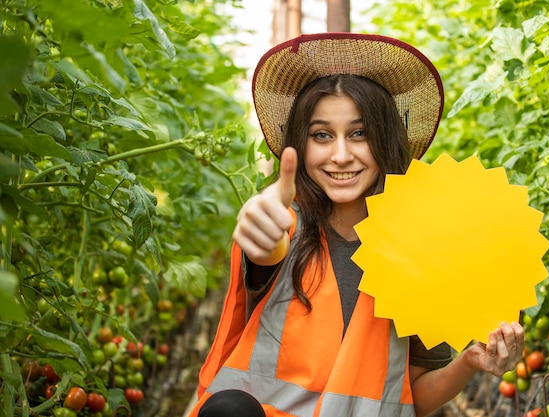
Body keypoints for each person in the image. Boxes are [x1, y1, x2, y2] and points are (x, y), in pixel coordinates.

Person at [188, 32, 525, 417]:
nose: (342, 155)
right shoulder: (286, 228)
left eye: (359, 133)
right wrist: (260, 224)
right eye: (322, 136)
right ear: (300, 143)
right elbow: (267, 247)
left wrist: (469, 363)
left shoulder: (423, 251)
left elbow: (412, 396)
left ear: (385, 139)